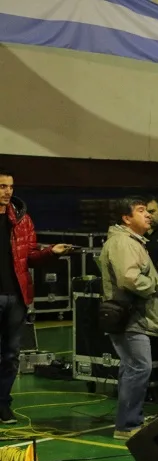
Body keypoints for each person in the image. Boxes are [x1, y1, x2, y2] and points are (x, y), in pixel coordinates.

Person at [0, 168, 71, 425]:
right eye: (1, 186)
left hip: (16, 296)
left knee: (10, 354)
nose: (7, 191)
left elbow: (30, 255)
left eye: (10, 187)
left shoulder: (22, 219)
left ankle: (3, 405)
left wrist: (52, 252)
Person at [99, 197, 158, 439]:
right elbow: (129, 279)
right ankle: (128, 425)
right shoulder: (123, 243)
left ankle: (130, 420)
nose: (148, 215)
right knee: (139, 367)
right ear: (126, 218)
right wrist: (156, 285)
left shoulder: (133, 242)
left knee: (132, 367)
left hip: (133, 317)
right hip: (130, 318)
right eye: (141, 211)